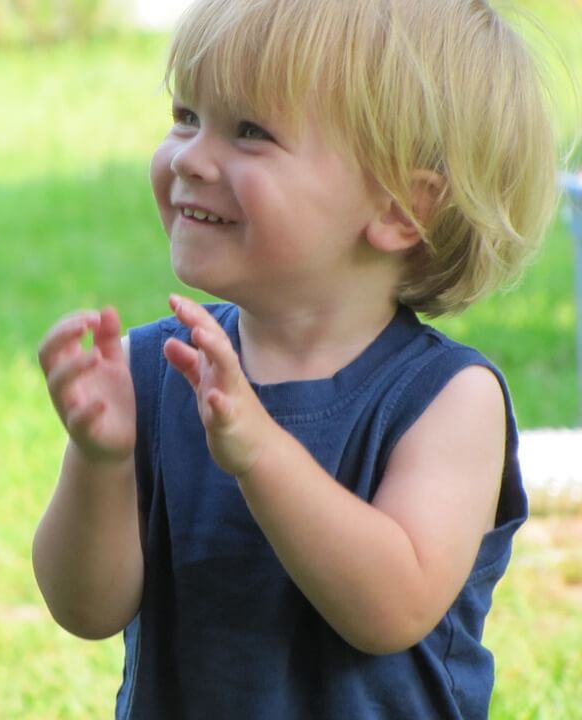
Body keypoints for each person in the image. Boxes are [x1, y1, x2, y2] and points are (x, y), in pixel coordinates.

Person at [32, 0, 560, 717]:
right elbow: (85, 608)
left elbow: (391, 610)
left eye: (250, 131)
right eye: (186, 116)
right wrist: (100, 460)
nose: (189, 155)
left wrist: (258, 450)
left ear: (402, 208)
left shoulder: (447, 400)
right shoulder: (153, 373)